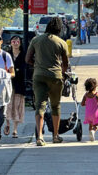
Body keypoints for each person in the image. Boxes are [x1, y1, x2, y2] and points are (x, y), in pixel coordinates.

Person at [26, 17, 69, 146]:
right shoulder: (61, 43)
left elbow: (27, 59)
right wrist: (62, 72)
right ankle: (55, 136)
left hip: (39, 76)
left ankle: (39, 137)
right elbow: (65, 64)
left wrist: (37, 66)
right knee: (56, 106)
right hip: (55, 77)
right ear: (59, 29)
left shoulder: (36, 40)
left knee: (40, 106)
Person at [4, 35, 26, 138]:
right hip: (8, 83)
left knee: (17, 106)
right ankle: (7, 124)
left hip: (19, 84)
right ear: (10, 43)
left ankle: (15, 129)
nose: (15, 43)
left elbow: (25, 68)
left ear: (20, 43)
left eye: (17, 41)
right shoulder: (7, 54)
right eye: (13, 41)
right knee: (8, 105)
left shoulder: (23, 54)